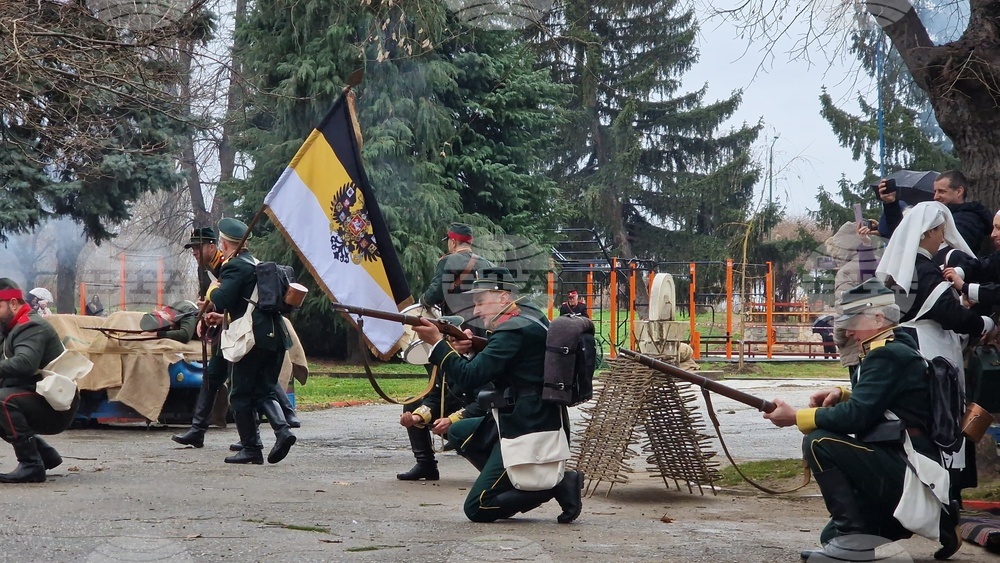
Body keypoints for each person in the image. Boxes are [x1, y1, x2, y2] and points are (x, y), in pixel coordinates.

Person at [763, 279, 960, 561]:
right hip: (907, 462)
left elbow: (855, 417)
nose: (849, 331)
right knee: (828, 537)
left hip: (907, 463)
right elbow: (884, 400)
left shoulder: (887, 354)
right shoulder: (897, 346)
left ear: (878, 318)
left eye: (853, 320)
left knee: (818, 442)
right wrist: (842, 394)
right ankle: (941, 522)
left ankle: (851, 544)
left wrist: (795, 417)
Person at [412, 267, 583, 524]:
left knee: (477, 508)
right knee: (458, 431)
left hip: (525, 425)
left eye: (481, 301)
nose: (477, 310)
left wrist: (437, 344)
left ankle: (555, 487)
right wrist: (472, 348)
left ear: (503, 298)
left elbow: (470, 377)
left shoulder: (512, 331)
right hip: (525, 415)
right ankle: (515, 480)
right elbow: (508, 362)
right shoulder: (527, 316)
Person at [171, 227, 301, 451]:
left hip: (243, 334)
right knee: (221, 377)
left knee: (244, 387)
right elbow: (245, 302)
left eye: (198, 247)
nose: (194, 252)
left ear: (216, 245)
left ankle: (257, 438)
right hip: (238, 330)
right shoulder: (232, 264)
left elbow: (231, 299)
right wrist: (220, 316)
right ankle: (202, 431)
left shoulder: (231, 264)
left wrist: (213, 294)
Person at [398, 222, 490, 479]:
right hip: (483, 332)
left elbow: (432, 296)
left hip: (455, 330)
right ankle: (429, 458)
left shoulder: (448, 261)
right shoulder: (486, 263)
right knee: (441, 390)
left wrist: (425, 302)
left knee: (457, 387)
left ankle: (432, 461)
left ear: (452, 241)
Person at [206, 218, 295, 465]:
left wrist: (213, 289)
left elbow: (223, 299)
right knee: (263, 390)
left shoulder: (234, 266)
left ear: (224, 244)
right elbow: (246, 303)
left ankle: (251, 448)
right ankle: (282, 431)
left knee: (240, 394)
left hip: (252, 337)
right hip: (275, 336)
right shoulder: (257, 264)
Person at [0, 279, 80, 483]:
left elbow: (25, 363)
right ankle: (44, 455)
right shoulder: (9, 327)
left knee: (1, 400)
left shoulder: (31, 326)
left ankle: (31, 465)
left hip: (56, 404)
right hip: (36, 397)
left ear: (13, 303)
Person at [870, 170, 992, 252]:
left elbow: (948, 251)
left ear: (959, 191)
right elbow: (903, 236)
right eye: (935, 191)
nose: (935, 197)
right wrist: (891, 203)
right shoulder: (938, 215)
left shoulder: (970, 220)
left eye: (942, 191)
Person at [396, 381, 486, 481]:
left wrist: (452, 420)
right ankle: (426, 465)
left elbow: (483, 403)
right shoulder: (439, 372)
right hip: (452, 415)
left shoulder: (477, 371)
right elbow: (434, 398)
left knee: (491, 475)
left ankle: (493, 471)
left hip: (481, 424)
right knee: (412, 404)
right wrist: (417, 417)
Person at [420, 222, 492, 325]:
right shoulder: (488, 264)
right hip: (484, 321)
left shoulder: (448, 261)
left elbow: (435, 293)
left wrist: (423, 300)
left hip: (457, 322)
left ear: (453, 242)